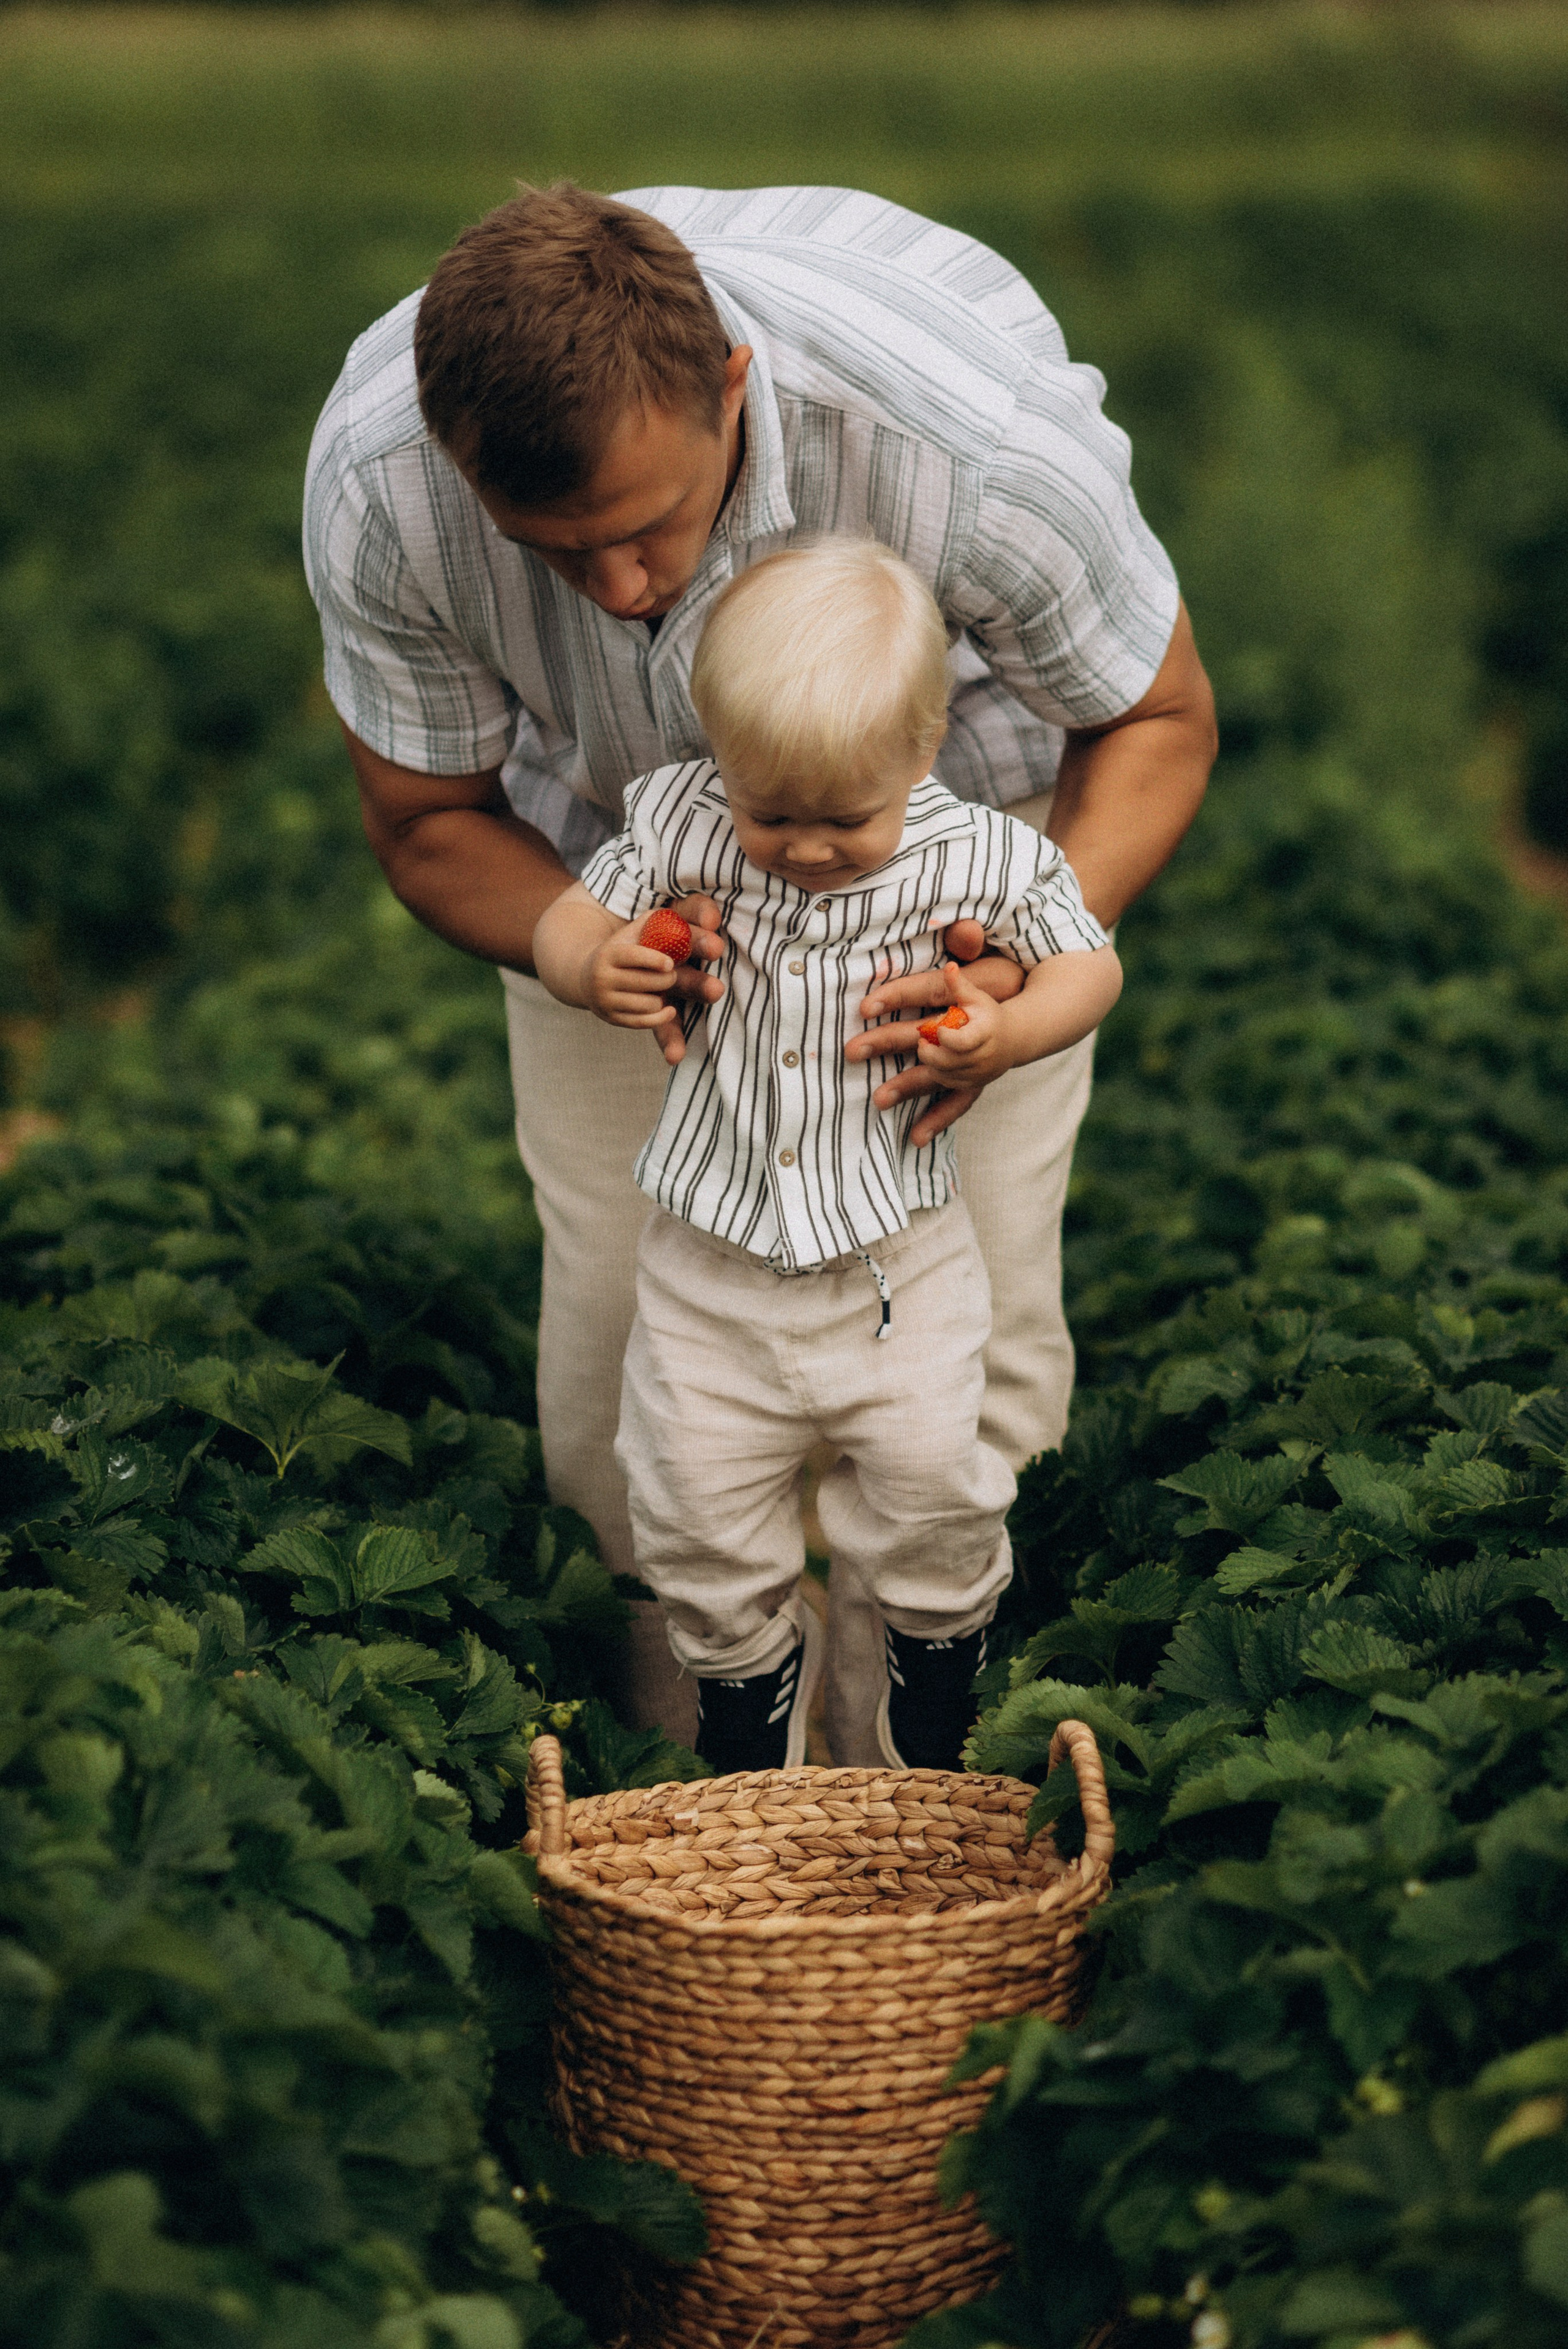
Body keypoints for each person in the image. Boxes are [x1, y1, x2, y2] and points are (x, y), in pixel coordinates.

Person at [303, 181, 1216, 1760]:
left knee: (972, 1326)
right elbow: (428, 817)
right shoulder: (384, 492)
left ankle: (916, 1762)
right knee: (621, 1338)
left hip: (949, 845)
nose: (618, 590)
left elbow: (1154, 716)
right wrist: (580, 944)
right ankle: (699, 1772)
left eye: (645, 527)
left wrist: (1011, 973)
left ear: (732, 387)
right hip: (615, 868)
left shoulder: (970, 451)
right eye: (552, 551)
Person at [532, 541, 1121, 1771]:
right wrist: (590, 963)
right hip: (710, 1270)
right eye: (771, 814)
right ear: (718, 757)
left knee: (935, 1491)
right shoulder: (678, 818)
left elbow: (1087, 961)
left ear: (920, 749)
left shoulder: (979, 853)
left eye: (843, 818)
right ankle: (748, 1688)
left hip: (896, 1266)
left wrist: (1010, 1029)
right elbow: (574, 916)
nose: (804, 847)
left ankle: (921, 1682)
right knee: (691, 1501)